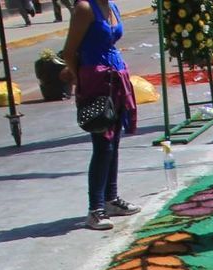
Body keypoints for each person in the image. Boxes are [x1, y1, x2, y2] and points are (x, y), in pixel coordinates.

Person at [62, 0, 138, 231]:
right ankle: (95, 208)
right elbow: (68, 51)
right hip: (96, 81)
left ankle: (110, 199)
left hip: (114, 79)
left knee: (114, 141)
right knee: (102, 144)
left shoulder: (111, 6)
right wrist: (81, 80)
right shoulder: (85, 8)